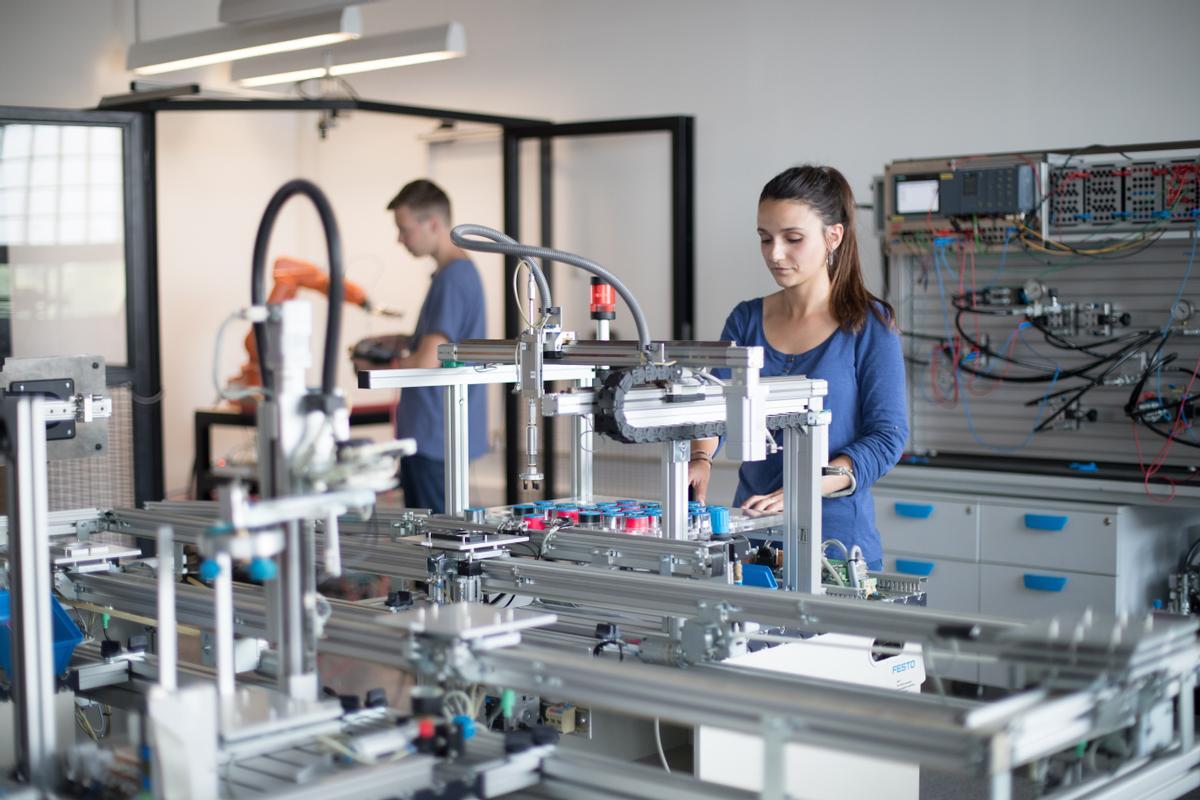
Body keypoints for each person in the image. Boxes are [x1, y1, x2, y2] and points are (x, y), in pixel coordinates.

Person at [688, 166, 907, 570]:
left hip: (837, 549)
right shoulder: (746, 319)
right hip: (751, 539)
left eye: (793, 239)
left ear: (833, 236)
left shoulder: (870, 324)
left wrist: (805, 488)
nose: (775, 254)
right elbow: (714, 407)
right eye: (765, 239)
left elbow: (887, 436)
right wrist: (700, 459)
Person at [386, 179, 488, 512]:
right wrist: (400, 342)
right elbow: (438, 344)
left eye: (404, 229)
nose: (400, 238)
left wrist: (382, 366)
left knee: (434, 546)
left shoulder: (454, 278)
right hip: (433, 436)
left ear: (432, 223)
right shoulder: (450, 276)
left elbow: (429, 358)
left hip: (435, 438)